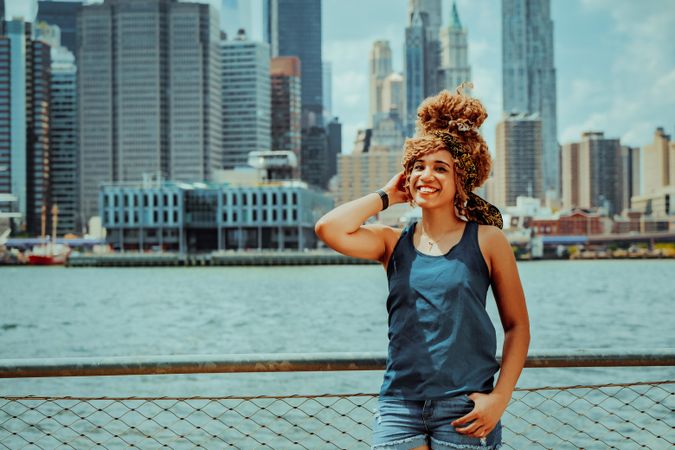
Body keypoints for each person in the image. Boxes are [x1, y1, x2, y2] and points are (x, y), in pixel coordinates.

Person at [314, 85, 530, 450]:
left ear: (461, 179)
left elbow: (518, 326)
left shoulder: (488, 240)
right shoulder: (390, 241)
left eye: (440, 168)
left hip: (465, 408)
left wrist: (500, 399)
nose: (426, 175)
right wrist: (386, 195)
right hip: (399, 406)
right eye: (418, 167)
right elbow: (328, 228)